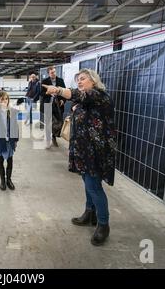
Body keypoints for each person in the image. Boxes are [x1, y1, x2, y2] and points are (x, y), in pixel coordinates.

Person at [43, 68, 116, 246]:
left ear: (93, 80)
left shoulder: (99, 95)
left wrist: (58, 90)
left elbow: (77, 95)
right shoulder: (87, 100)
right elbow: (80, 105)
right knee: (88, 183)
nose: (79, 82)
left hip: (96, 152)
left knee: (94, 186)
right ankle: (89, 213)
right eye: (78, 80)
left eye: (83, 79)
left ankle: (104, 225)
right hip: (84, 151)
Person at [0, 91, 19, 191]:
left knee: (10, 160)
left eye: (6, 99)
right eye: (2, 99)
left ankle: (9, 180)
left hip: (9, 140)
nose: (4, 101)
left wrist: (15, 140)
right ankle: (2, 181)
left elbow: (15, 126)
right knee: (0, 160)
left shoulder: (11, 111)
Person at [40, 66, 66, 148]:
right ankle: (48, 140)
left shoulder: (60, 80)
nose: (54, 74)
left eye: (54, 72)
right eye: (52, 72)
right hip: (48, 104)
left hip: (58, 105)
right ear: (48, 73)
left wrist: (63, 100)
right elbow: (41, 93)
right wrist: (48, 93)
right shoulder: (45, 81)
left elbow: (64, 91)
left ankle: (54, 137)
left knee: (58, 123)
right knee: (48, 123)